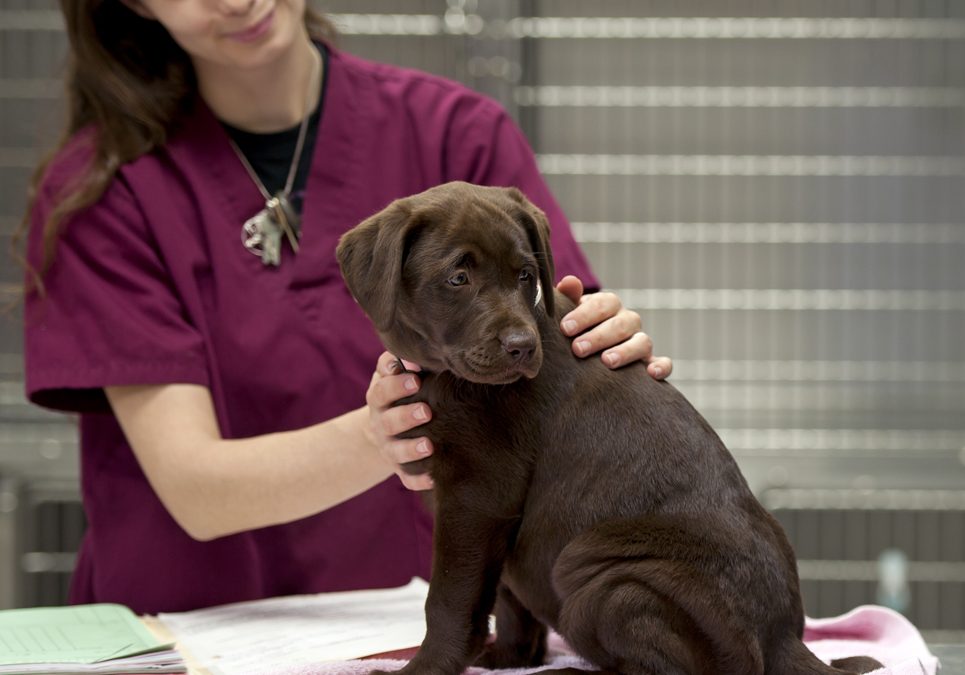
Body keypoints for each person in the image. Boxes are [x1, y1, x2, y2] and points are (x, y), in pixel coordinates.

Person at [16, 0, 673, 615]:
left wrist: (604, 354)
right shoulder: (104, 192)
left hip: (422, 624)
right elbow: (196, 488)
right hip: (200, 629)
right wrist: (384, 433)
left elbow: (550, 351)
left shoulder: (457, 134)